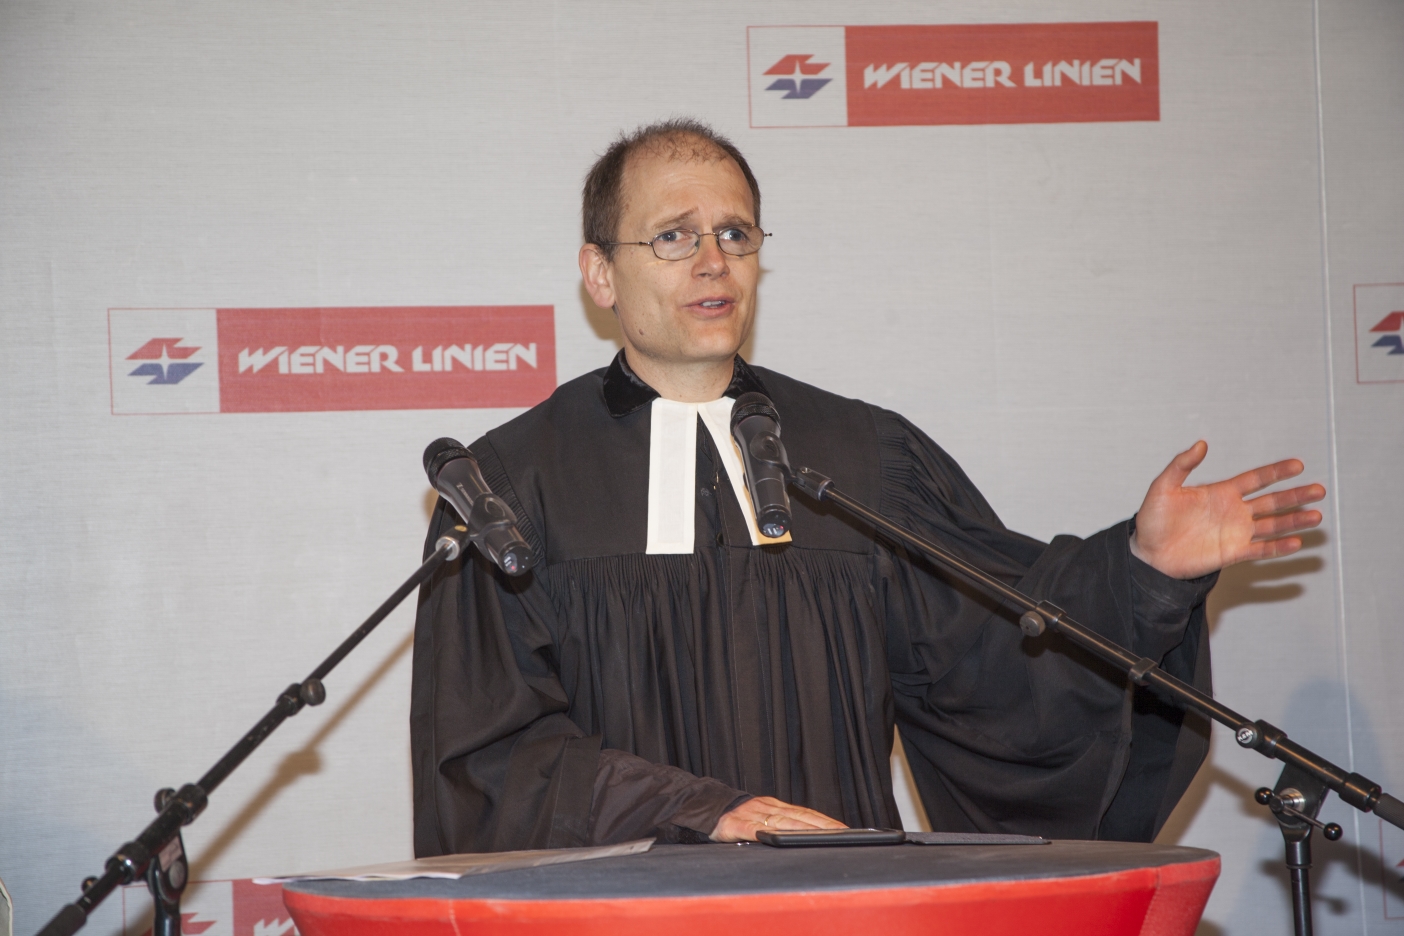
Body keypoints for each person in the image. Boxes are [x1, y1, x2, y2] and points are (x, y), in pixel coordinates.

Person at [410, 118, 1324, 855]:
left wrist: (1140, 573)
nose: (713, 260)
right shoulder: (509, 485)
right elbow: (489, 756)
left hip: (843, 906)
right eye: (674, 236)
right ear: (600, 273)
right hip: (626, 917)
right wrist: (698, 811)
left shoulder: (859, 454)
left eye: (735, 233)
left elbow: (997, 654)